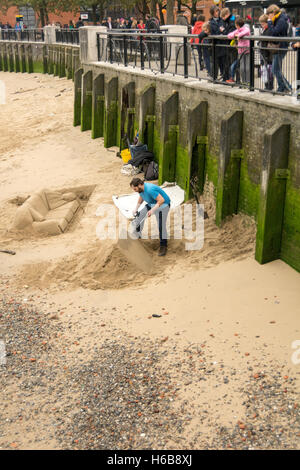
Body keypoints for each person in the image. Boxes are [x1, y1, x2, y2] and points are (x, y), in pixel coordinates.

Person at [130, 178, 171, 256]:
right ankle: (137, 234)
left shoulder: (150, 189)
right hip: (152, 203)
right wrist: (136, 208)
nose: (134, 191)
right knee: (140, 216)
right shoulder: (141, 189)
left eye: (135, 189)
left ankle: (163, 245)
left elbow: (161, 200)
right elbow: (141, 197)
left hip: (163, 205)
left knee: (161, 226)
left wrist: (152, 210)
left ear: (139, 185)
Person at [266, 4, 292, 93]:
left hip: (281, 47)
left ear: (273, 12)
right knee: (276, 69)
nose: (268, 17)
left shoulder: (281, 20)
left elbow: (274, 33)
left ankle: (285, 87)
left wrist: (269, 22)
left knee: (275, 69)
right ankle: (285, 87)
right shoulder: (279, 18)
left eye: (269, 15)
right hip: (279, 46)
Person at [227, 17, 250, 84]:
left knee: (247, 67)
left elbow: (246, 31)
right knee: (242, 67)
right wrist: (235, 35)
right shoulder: (237, 30)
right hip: (240, 51)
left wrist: (238, 35)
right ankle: (244, 81)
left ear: (237, 25)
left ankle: (248, 81)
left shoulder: (245, 29)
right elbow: (229, 35)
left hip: (246, 51)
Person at [209, 5, 226, 80]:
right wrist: (220, 30)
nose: (217, 12)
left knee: (223, 62)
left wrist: (222, 31)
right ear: (212, 13)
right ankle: (214, 77)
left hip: (222, 44)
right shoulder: (210, 22)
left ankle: (224, 77)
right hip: (215, 45)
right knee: (215, 62)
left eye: (218, 11)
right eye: (216, 11)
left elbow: (225, 30)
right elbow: (212, 33)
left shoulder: (222, 20)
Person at [220, 8, 236, 80]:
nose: (223, 19)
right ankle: (227, 77)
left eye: (223, 17)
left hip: (232, 44)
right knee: (228, 61)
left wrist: (223, 31)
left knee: (232, 62)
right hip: (229, 44)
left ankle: (232, 78)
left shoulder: (232, 21)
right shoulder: (229, 20)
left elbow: (230, 33)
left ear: (227, 14)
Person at [258, 14, 274, 90]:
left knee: (269, 70)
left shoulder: (268, 30)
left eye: (263, 24)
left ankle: (270, 86)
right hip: (263, 53)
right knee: (264, 70)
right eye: (261, 24)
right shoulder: (264, 30)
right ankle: (266, 85)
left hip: (267, 53)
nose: (262, 25)